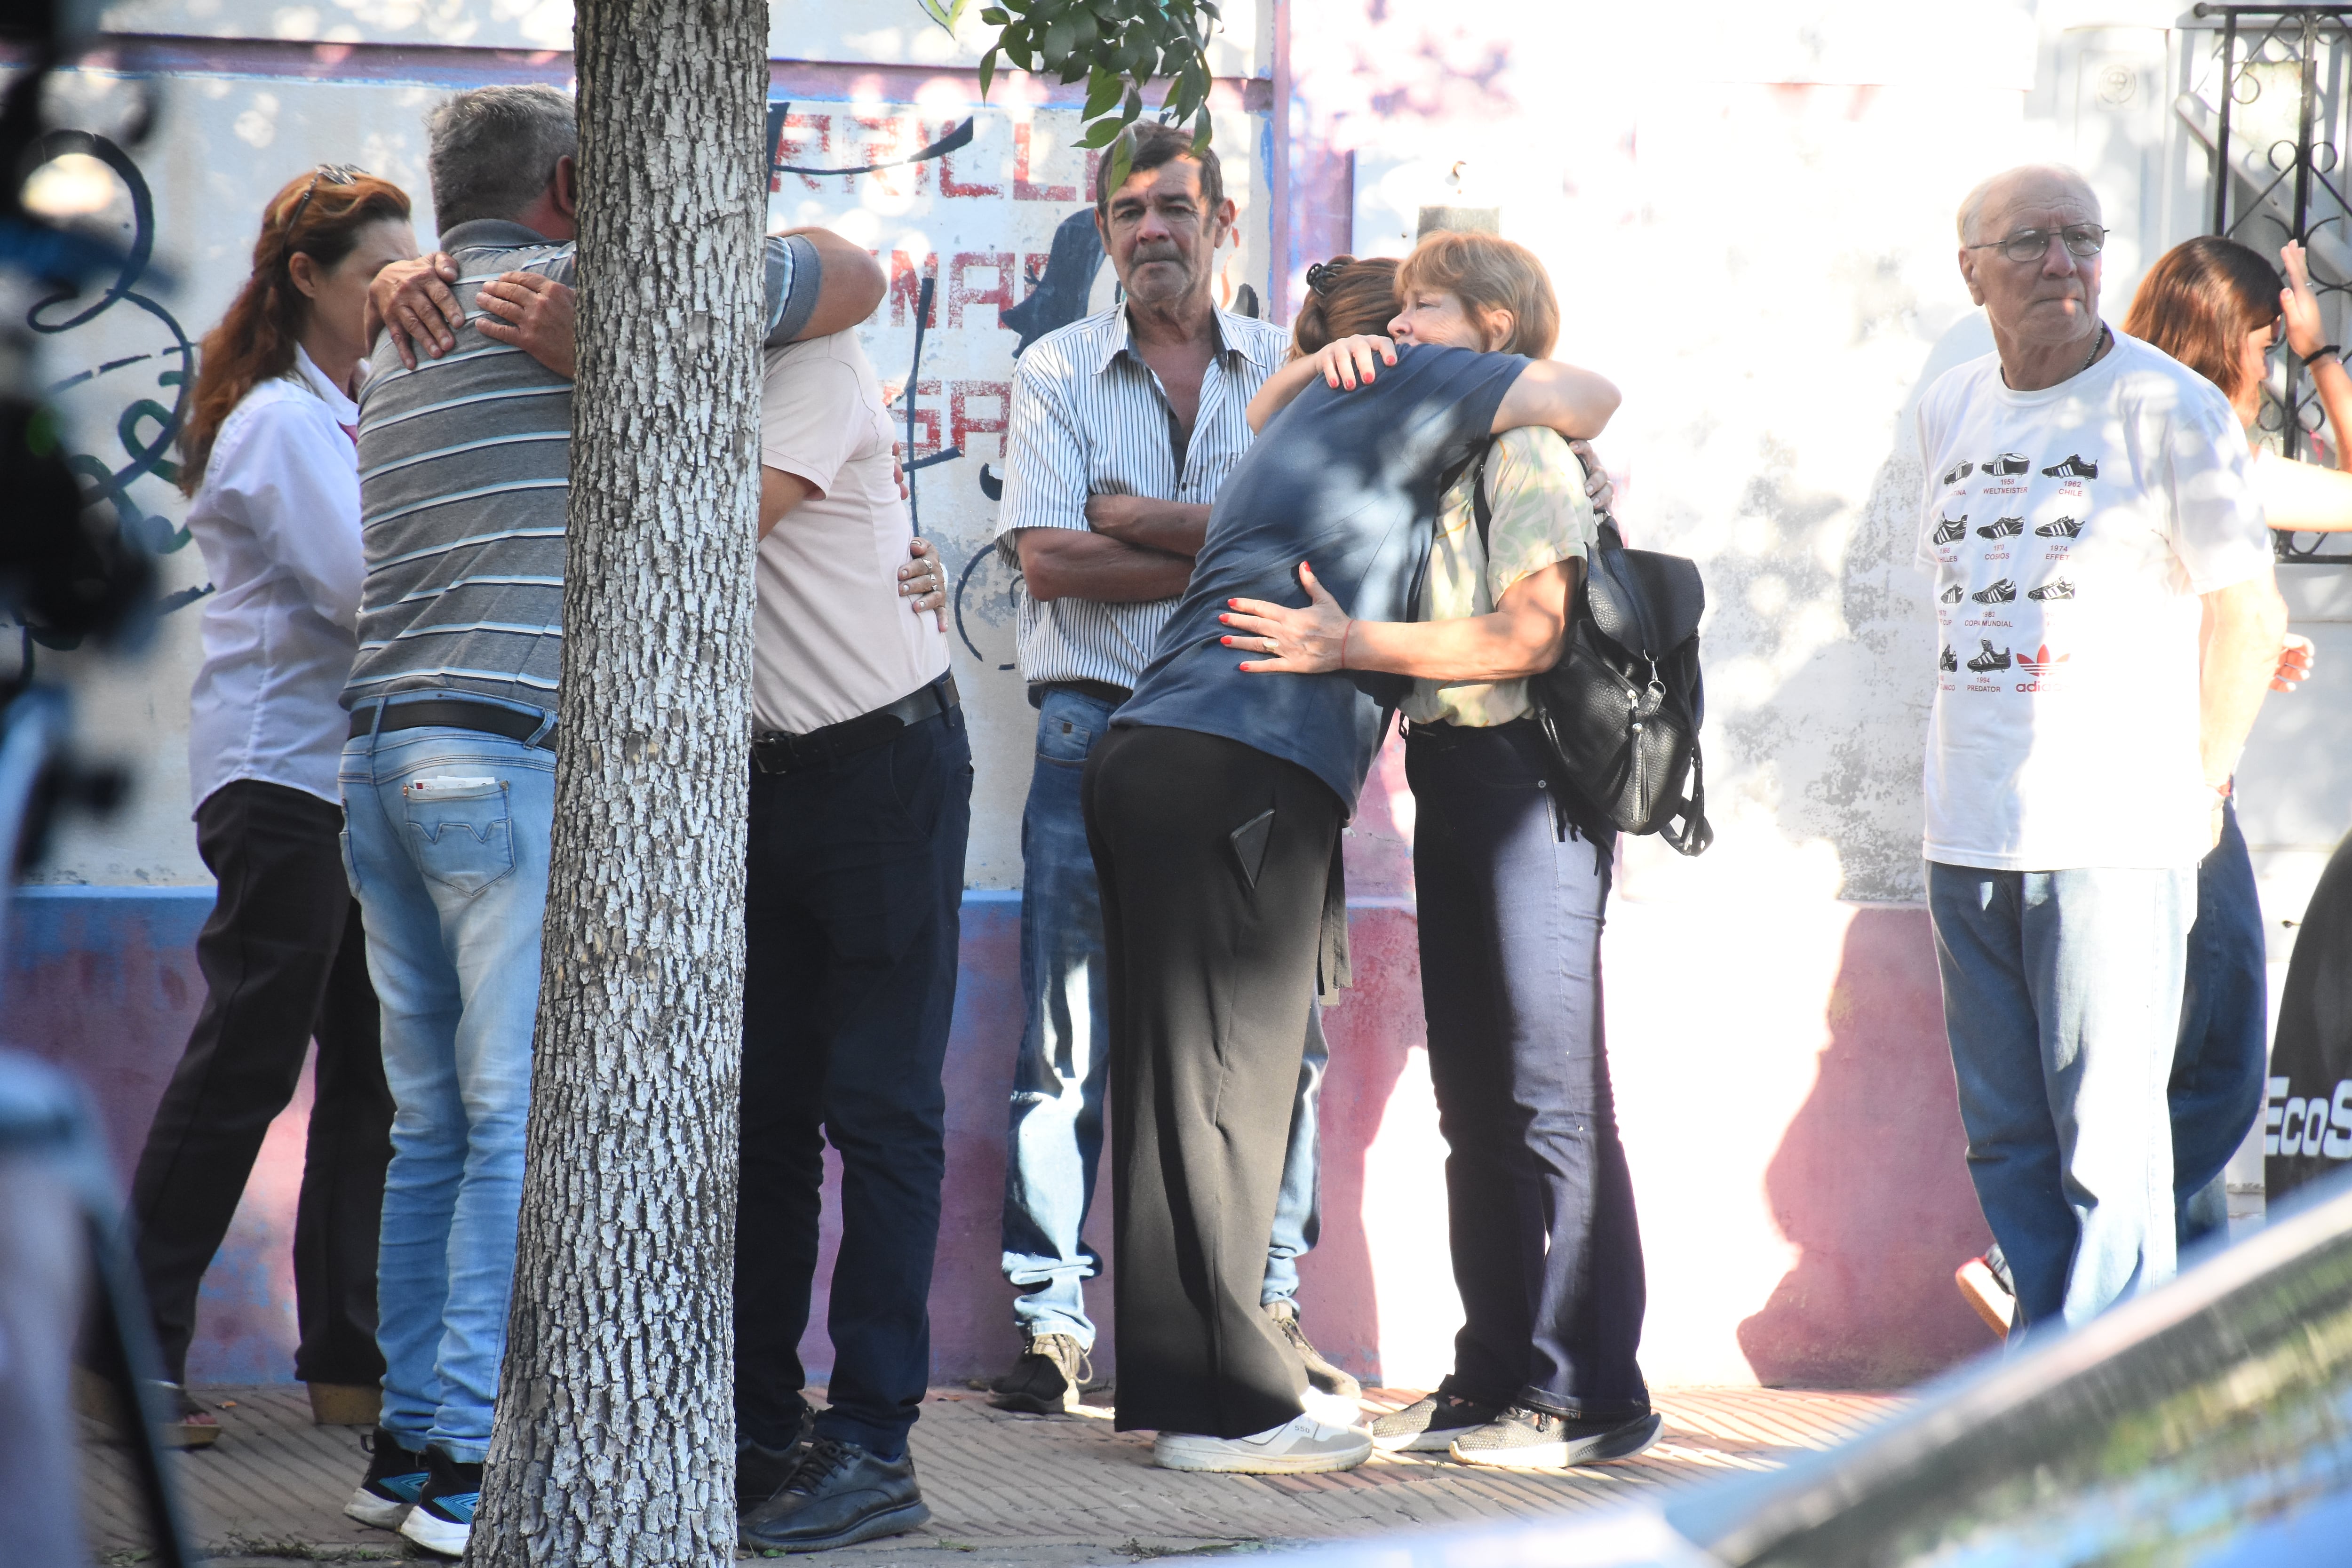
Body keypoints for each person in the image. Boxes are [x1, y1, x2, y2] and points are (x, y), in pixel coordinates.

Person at [338, 83, 885, 1557]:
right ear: (582, 183)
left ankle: (401, 1446)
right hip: (505, 761)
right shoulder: (589, 288)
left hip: (382, 756)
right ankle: (460, 1469)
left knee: (432, 1122)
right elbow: (859, 269)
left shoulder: (403, 327)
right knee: (507, 1111)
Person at [1084, 235, 1619, 1473]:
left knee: (1180, 1087)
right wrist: (1430, 361)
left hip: (1152, 747)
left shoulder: (1313, 404)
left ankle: (1194, 1394)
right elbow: (1592, 398)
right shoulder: (1414, 379)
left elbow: (1283, 391)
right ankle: (1235, 1413)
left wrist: (1312, 364)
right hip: (1243, 756)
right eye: (1415, 308)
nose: (1420, 325)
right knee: (1231, 1085)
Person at [1229, 234, 1658, 1468]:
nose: (1403, 321)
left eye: (1427, 305)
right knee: (1473, 1097)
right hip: (1454, 775)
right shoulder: (1441, 434)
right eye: (1400, 306)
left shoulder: (1522, 445)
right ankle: (1490, 1375)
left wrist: (1348, 643)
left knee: (1553, 1094)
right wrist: (1328, 358)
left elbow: (1526, 634)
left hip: (1536, 781)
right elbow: (1264, 421)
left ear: (1498, 323)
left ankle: (1591, 1391)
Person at [989, 120, 1355, 1419]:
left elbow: (1318, 554)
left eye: (1177, 207)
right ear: (1103, 230)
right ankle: (1052, 1318)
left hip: (1255, 737)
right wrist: (1234, 548)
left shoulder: (1297, 372)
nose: (1154, 229)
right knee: (1066, 1039)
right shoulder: (1056, 368)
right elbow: (1045, 562)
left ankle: (1264, 1300)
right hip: (1095, 724)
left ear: (1223, 225)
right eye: (1130, 209)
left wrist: (1131, 516)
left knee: (1275, 1040)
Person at [1918, 164, 2286, 1347]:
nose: (2063, 263)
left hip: (2115, 834)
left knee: (2111, 1142)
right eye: (2029, 241)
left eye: (2083, 238)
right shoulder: (1953, 404)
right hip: (1967, 825)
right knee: (2008, 1137)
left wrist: (2200, 790)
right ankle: (2043, 1382)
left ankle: (2109, 1403)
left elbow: (2249, 612)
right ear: (1969, 266)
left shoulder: (2167, 406)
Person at [117, 166, 415, 1449]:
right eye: (377, 281)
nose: (401, 304)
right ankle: (126, 1346)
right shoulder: (282, 424)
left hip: (350, 788)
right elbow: (362, 591)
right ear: (306, 278)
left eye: (416, 279)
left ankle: (348, 1357)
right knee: (248, 1059)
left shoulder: (352, 410)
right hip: (281, 779)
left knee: (373, 1075)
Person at [728, 304, 966, 1554]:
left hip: (882, 762)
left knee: (878, 1110)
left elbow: (700, 526)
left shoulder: (809, 357)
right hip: (766, 781)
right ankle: (756, 1427)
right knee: (762, 1117)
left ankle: (873, 1440)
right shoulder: (697, 367)